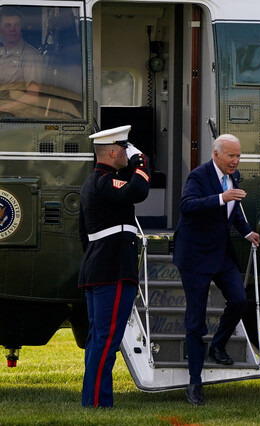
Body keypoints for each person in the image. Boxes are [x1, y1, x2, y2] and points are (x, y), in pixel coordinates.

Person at [173, 133, 260, 406]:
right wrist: (221, 197)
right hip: (195, 256)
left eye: (238, 156)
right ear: (217, 154)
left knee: (239, 299)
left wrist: (246, 233)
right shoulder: (199, 177)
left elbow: (232, 212)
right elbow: (187, 207)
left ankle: (219, 344)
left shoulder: (234, 177)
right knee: (196, 319)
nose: (236, 161)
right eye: (231, 156)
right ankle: (195, 382)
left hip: (221, 253)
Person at [78, 125, 150, 408]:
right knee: (107, 340)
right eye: (124, 148)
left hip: (98, 267)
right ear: (111, 151)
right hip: (113, 269)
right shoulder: (105, 182)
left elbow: (83, 233)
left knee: (98, 338)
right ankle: (97, 402)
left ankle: (93, 399)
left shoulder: (91, 183)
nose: (127, 153)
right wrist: (140, 162)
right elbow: (139, 190)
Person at [0, 7, 44, 116]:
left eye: (17, 25)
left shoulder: (30, 55)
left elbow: (32, 96)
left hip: (17, 117)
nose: (12, 29)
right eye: (8, 25)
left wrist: (3, 108)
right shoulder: (1, 53)